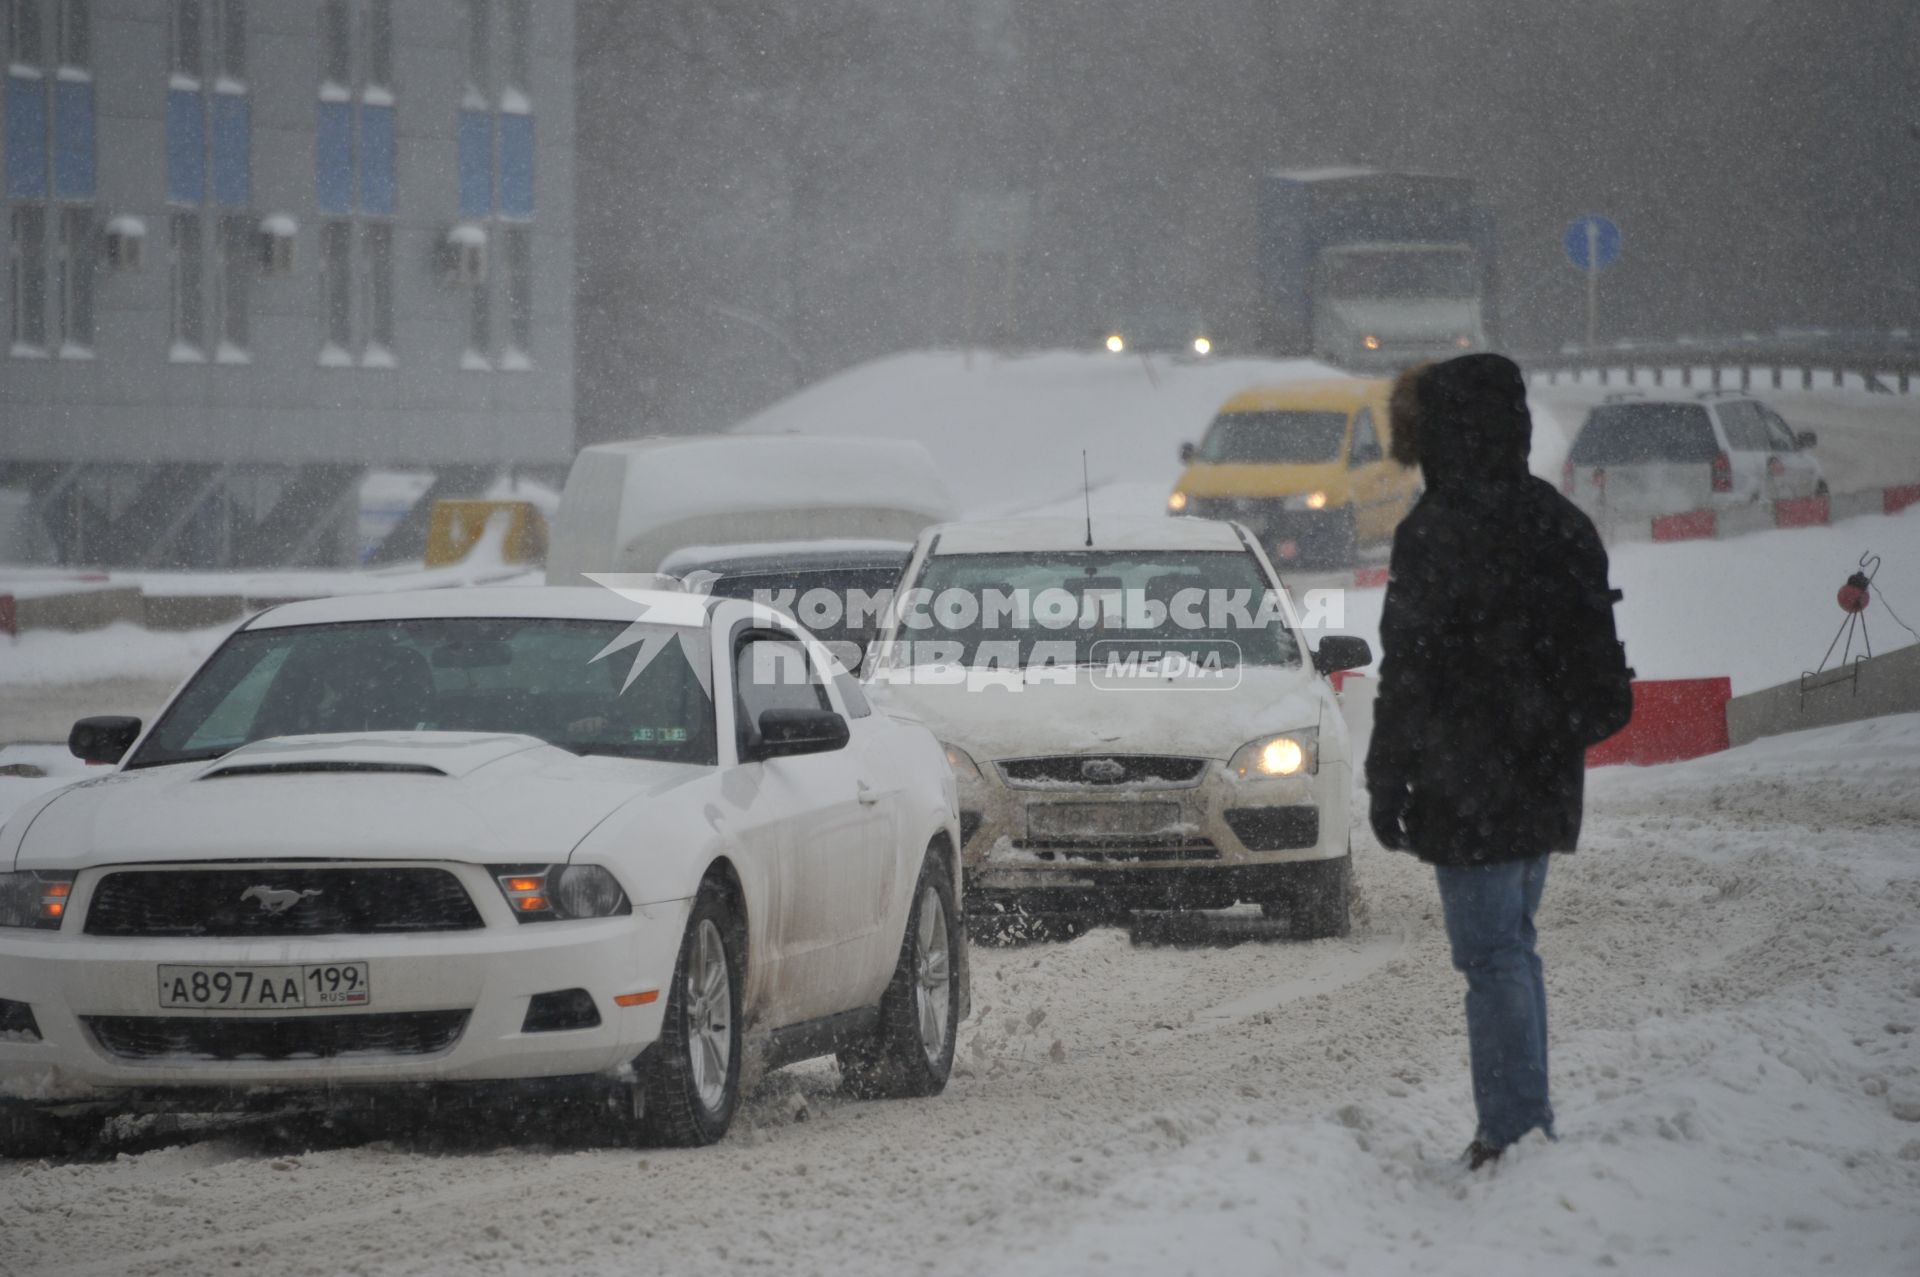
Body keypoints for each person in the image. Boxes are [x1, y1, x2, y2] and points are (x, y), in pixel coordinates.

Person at [1365, 353, 1617, 1170]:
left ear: (1437, 436)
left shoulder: (1433, 532)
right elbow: (1592, 663)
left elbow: (1407, 667)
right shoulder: (1560, 520)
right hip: (1544, 771)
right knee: (1515, 942)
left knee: (1492, 955)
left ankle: (1511, 1129)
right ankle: (1527, 1117)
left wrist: (1387, 775)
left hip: (1461, 775)